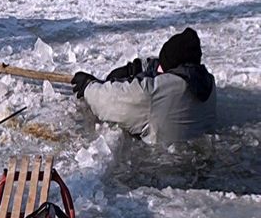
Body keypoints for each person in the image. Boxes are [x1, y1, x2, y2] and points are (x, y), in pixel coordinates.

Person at [71, 27, 217, 144]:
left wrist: (88, 86)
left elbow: (109, 101)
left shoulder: (153, 94)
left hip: (161, 171)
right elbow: (166, 73)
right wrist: (138, 68)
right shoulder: (208, 83)